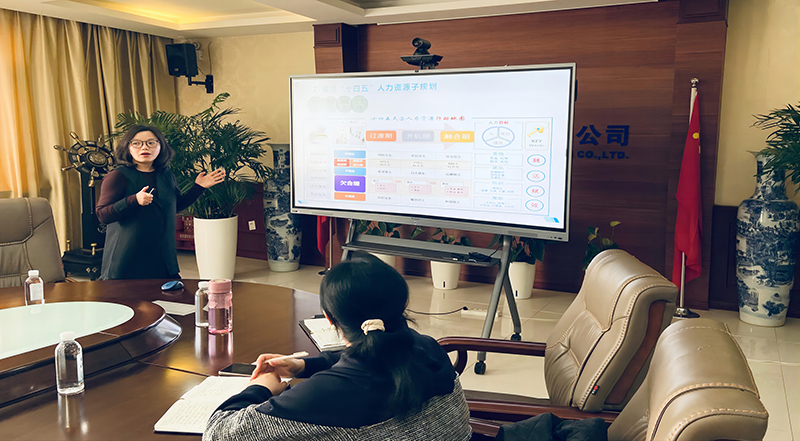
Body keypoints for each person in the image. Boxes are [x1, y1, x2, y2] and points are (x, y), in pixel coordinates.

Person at [203, 252, 472, 441]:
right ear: (404, 304)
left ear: (329, 318)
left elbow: (219, 433)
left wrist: (262, 387)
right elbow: (375, 352)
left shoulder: (330, 392)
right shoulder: (427, 347)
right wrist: (303, 365)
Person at [96, 125, 224, 280]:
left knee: (173, 294)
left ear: (160, 146)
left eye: (151, 143)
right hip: (128, 258)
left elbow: (173, 207)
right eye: (137, 143)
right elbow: (103, 215)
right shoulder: (117, 175)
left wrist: (199, 187)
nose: (144, 147)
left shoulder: (165, 174)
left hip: (162, 256)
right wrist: (133, 200)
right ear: (127, 147)